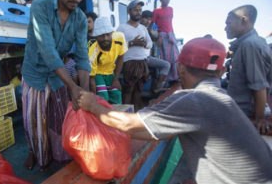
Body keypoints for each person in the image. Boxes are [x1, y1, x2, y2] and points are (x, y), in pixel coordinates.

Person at [78, 38, 272, 184]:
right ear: (221, 72)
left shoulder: (195, 100)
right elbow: (151, 131)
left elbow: (129, 124)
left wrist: (92, 106)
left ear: (179, 68)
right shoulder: (220, 96)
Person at [21, 0, 92, 170]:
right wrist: (73, 86)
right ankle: (33, 152)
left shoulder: (80, 18)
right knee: (32, 121)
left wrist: (85, 92)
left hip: (57, 77)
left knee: (59, 120)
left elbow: (82, 55)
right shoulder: (40, 5)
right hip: (34, 74)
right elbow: (48, 51)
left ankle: (57, 157)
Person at [226, 5, 272, 135]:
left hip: (243, 115)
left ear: (243, 20)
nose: (225, 28)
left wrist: (259, 119)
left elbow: (259, 85)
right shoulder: (256, 42)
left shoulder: (249, 45)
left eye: (228, 23)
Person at [116, 1, 151, 110]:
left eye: (140, 10)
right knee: (128, 90)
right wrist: (131, 43)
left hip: (143, 62)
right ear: (129, 11)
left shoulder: (143, 28)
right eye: (135, 10)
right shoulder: (121, 28)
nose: (138, 12)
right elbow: (116, 47)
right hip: (129, 62)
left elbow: (150, 44)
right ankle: (126, 115)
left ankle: (135, 114)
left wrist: (145, 44)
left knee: (138, 90)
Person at [89, 17, 127, 104]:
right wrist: (94, 96)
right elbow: (91, 78)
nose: (105, 38)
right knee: (103, 97)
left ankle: (117, 116)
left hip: (111, 72)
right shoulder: (93, 52)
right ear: (96, 36)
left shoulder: (120, 37)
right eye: (101, 35)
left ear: (112, 33)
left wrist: (116, 79)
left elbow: (121, 58)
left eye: (108, 34)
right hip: (98, 74)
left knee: (117, 94)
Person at [148, 0, 179, 82]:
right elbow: (151, 25)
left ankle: (175, 77)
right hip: (162, 35)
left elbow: (170, 24)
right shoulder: (156, 11)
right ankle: (167, 79)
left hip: (171, 35)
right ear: (160, 0)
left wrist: (173, 35)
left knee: (176, 57)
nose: (167, 0)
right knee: (165, 58)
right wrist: (155, 36)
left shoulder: (171, 9)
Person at [139, 10, 171, 93]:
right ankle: (156, 87)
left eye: (150, 19)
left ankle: (157, 87)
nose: (148, 21)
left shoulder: (146, 29)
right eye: (146, 18)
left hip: (147, 57)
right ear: (141, 18)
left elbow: (153, 37)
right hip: (140, 58)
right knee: (166, 65)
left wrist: (159, 38)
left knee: (166, 64)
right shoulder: (138, 28)